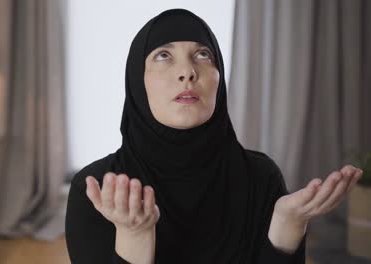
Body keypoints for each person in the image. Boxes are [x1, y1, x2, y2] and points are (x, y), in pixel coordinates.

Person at [65, 8, 363, 264]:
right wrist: (134, 235)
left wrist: (288, 223)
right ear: (136, 81)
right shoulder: (99, 191)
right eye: (163, 55)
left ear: (219, 80)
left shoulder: (261, 177)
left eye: (203, 54)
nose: (187, 71)